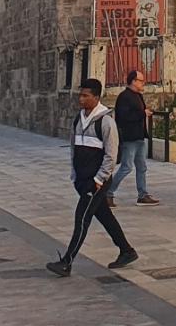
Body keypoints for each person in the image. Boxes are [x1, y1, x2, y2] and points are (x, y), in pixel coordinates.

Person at [45, 80, 136, 276]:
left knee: (82, 219)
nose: (81, 99)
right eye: (81, 95)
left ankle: (67, 262)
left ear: (96, 97)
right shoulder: (78, 120)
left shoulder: (106, 122)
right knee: (104, 216)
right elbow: (73, 148)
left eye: (86, 96)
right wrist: (74, 174)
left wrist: (99, 179)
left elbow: (111, 155)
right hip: (82, 180)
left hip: (96, 183)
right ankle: (127, 250)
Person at [108, 70, 157, 207]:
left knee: (142, 167)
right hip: (129, 138)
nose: (143, 83)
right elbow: (124, 117)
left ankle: (142, 195)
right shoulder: (124, 97)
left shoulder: (138, 96)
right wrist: (142, 113)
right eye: (141, 81)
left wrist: (143, 113)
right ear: (133, 81)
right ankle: (108, 193)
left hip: (139, 136)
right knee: (127, 167)